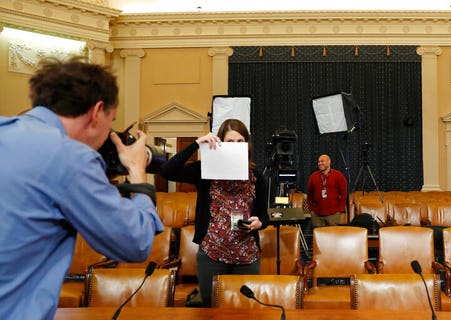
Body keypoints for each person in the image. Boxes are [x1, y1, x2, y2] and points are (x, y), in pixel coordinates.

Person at [0, 57, 164, 320]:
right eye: (111, 119)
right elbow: (135, 242)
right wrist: (137, 172)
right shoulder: (69, 157)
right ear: (97, 111)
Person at [159, 119, 268, 308]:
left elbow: (263, 216)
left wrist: (260, 223)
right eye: (230, 142)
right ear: (221, 143)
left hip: (247, 256)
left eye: (240, 141)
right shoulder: (204, 170)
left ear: (247, 145)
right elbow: (167, 170)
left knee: (245, 309)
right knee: (209, 308)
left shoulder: (257, 176)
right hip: (211, 255)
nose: (236, 146)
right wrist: (196, 144)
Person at [306, 154, 348, 227]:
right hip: (317, 216)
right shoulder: (313, 176)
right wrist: (311, 210)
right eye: (318, 162)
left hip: (333, 215)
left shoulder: (338, 175)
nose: (320, 163)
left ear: (329, 162)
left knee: (332, 237)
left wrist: (339, 211)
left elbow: (344, 194)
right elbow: (309, 195)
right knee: (318, 237)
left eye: (322, 161)